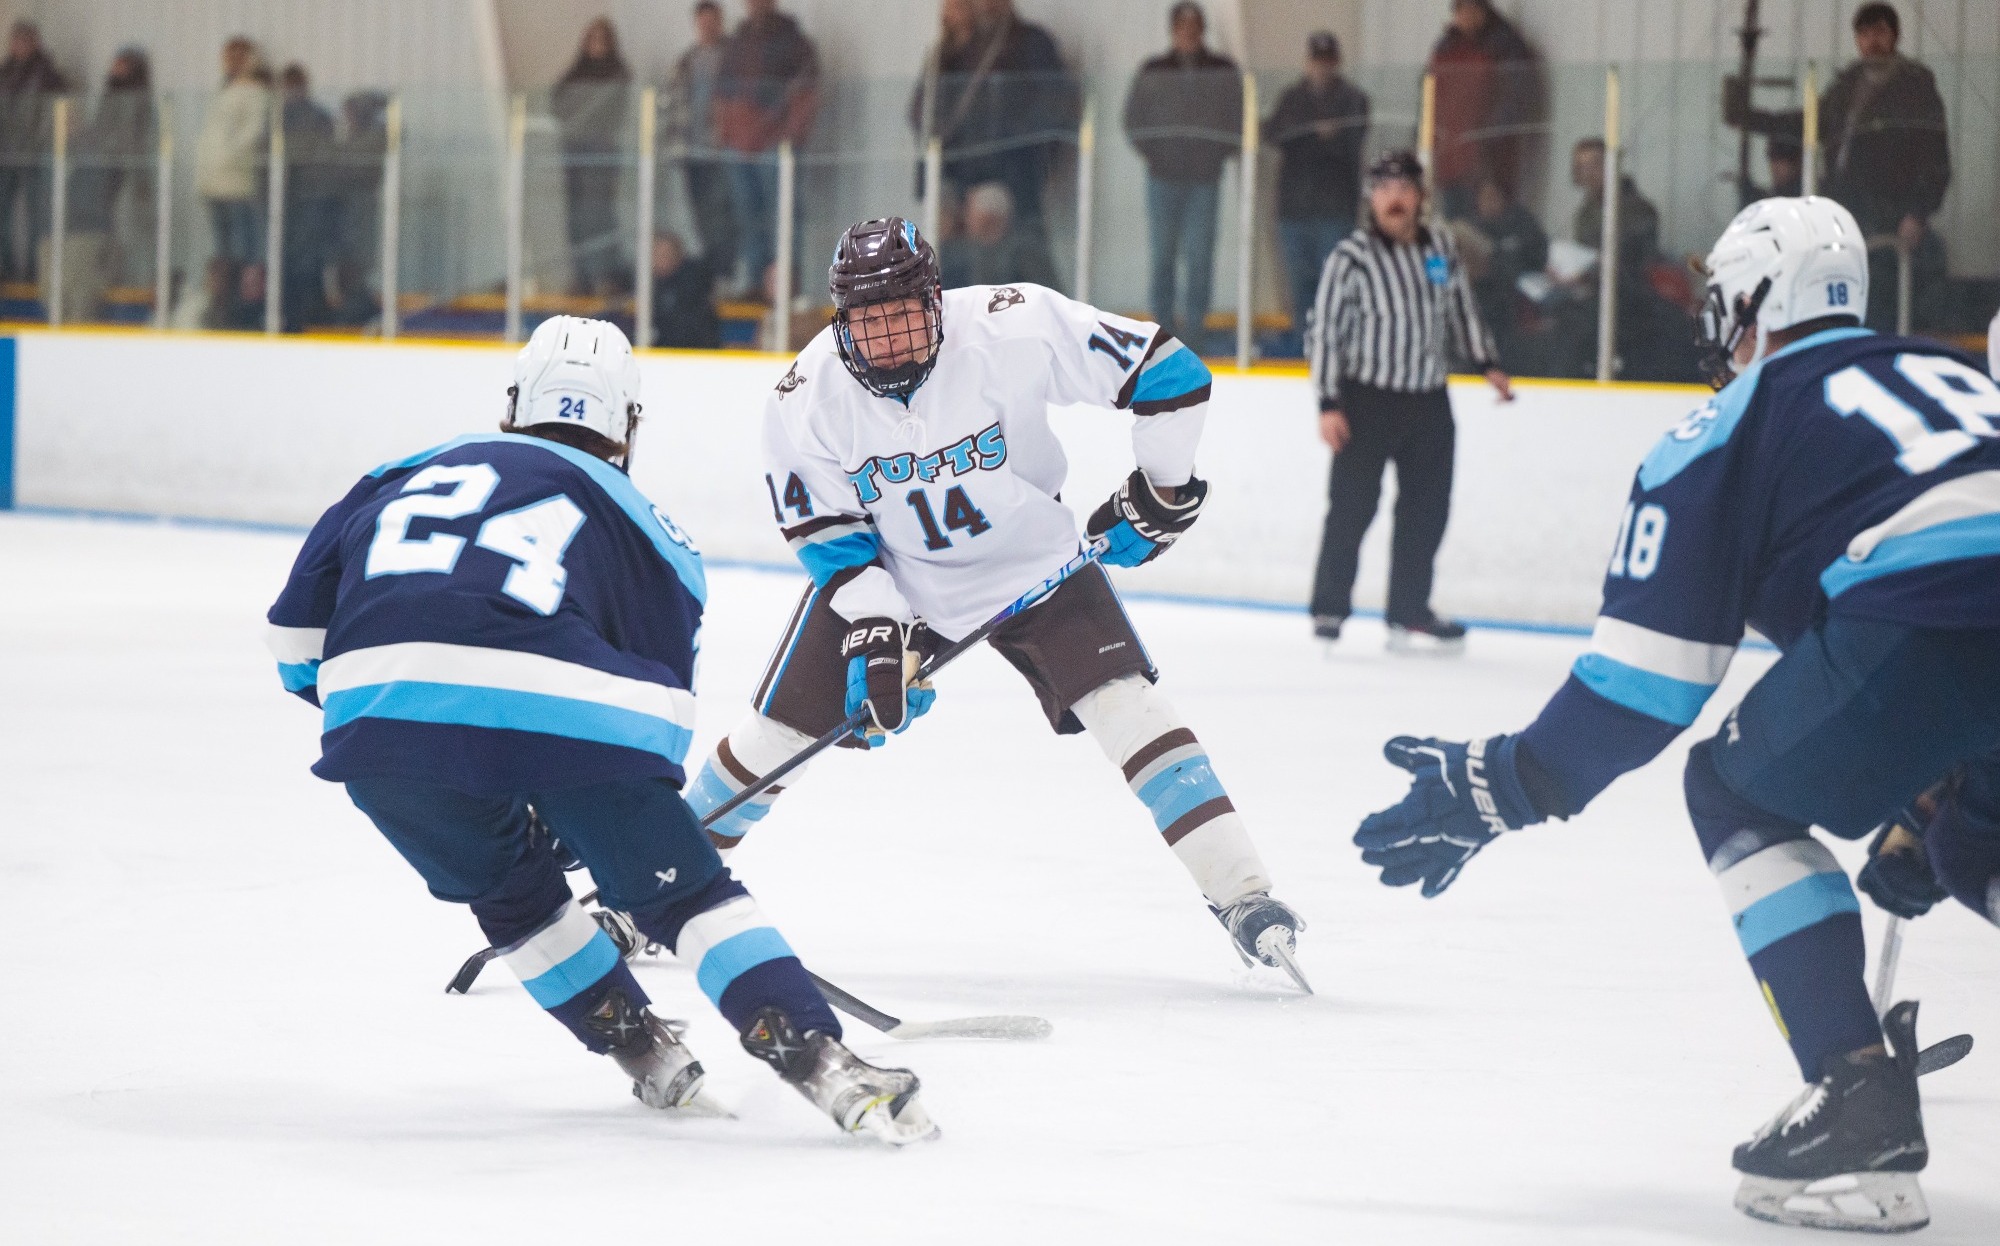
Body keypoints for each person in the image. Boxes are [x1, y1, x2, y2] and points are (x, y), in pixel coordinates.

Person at [1351, 196, 2000, 1233]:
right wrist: (1935, 809)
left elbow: (1642, 687)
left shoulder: (1729, 419)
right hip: (1955, 629)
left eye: (1722, 304)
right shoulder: (1954, 370)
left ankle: (1854, 1092)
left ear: (1756, 301)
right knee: (1970, 848)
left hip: (1923, 612)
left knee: (1732, 788)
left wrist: (1505, 781)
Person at [263, 315, 938, 1145]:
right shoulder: (652, 527)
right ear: (627, 427)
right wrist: (604, 826)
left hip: (375, 720)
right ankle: (822, 1062)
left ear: (511, 405)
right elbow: (659, 708)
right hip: (567, 708)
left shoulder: (393, 475)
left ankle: (644, 1053)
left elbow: (297, 650)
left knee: (511, 895)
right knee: (687, 894)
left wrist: (402, 717)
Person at [678, 217, 1310, 992]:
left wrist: (1163, 486)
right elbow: (828, 533)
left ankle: (1244, 896)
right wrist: (879, 628)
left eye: (902, 315)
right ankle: (661, 884)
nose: (886, 339)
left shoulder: (1012, 325)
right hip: (898, 574)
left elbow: (1170, 374)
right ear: (841, 318)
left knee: (1130, 708)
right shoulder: (805, 396)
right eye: (866, 321)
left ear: (936, 301)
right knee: (775, 735)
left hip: (1034, 561)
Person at [1305, 150, 1511, 650]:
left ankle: (1409, 609)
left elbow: (1460, 307)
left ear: (1421, 196)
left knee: (1427, 509)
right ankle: (1330, 608)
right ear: (1370, 198)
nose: (1394, 198)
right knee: (1352, 508)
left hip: (1428, 401)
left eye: (1404, 189)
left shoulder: (1439, 248)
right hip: (1366, 400)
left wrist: (1488, 363)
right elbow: (1326, 333)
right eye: (1383, 189)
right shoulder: (1350, 257)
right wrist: (1329, 403)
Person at [1726, 4, 1949, 333]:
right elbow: (1809, 123)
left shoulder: (1915, 88)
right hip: (1846, 207)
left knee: (1880, 295)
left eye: (1880, 32)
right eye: (1864, 33)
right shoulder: (1848, 85)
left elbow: (1936, 160)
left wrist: (1917, 212)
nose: (1872, 41)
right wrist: (1751, 117)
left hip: (1889, 211)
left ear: (1894, 36)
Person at [1122, 2, 1240, 351]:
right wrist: (1158, 156)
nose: (1188, 34)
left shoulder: (1221, 69)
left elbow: (1236, 120)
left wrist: (1213, 156)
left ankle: (1195, 335)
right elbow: (1134, 121)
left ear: (1202, 30)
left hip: (1204, 179)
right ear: (1173, 31)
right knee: (1163, 256)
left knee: (1200, 256)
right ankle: (1163, 333)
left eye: (1194, 27)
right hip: (1164, 178)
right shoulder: (1154, 70)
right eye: (1182, 27)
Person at [1263, 31, 1369, 357]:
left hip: (1335, 208)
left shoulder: (1353, 98)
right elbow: (1272, 133)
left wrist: (1307, 138)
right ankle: (1302, 347)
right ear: (1308, 62)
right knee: (1300, 286)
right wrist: (1317, 135)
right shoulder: (1292, 97)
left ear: (1335, 62)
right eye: (1316, 61)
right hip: (1295, 209)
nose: (1321, 68)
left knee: (1334, 285)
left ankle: (1333, 349)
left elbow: (1348, 146)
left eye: (1327, 61)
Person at [715, 0, 819, 300]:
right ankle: (754, 283)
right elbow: (722, 93)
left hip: (775, 147)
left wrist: (787, 136)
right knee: (748, 217)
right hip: (739, 146)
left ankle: (785, 285)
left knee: (783, 216)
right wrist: (727, 133)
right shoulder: (736, 43)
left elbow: (806, 93)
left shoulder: (794, 43)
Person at [56, 47, 153, 321]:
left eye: (121, 64)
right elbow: (102, 129)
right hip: (104, 165)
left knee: (120, 226)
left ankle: (126, 279)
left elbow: (132, 135)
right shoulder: (110, 95)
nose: (114, 67)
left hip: (120, 168)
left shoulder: (136, 98)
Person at [1425, 0, 1538, 220]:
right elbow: (1430, 97)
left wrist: (1486, 142)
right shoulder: (1447, 47)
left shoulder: (1505, 46)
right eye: (1457, 10)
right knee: (1450, 228)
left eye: (1465, 9)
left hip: (1487, 162)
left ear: (1480, 10)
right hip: (1448, 158)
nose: (1460, 16)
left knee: (1483, 232)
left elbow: (1514, 100)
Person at [554, 18, 631, 297]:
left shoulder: (617, 73)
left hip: (600, 149)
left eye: (602, 39)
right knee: (575, 215)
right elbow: (557, 101)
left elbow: (605, 110)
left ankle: (603, 275)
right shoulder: (577, 73)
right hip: (574, 149)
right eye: (593, 39)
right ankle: (581, 276)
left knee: (597, 213)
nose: (597, 45)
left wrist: (581, 114)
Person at [666, 2, 737, 284]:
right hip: (691, 151)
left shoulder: (731, 57)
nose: (708, 27)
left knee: (722, 214)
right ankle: (710, 270)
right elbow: (672, 104)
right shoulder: (686, 61)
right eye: (703, 22)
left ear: (720, 22)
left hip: (721, 151)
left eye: (712, 22)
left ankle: (725, 271)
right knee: (700, 214)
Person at [0, 21, 66, 283]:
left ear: (35, 42)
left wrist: (39, 142)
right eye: (16, 40)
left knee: (35, 216)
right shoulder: (5, 73)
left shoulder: (47, 75)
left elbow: (55, 113)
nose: (19, 46)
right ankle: (5, 269)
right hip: (5, 154)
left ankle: (32, 271)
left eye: (25, 40)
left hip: (33, 154)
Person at [195, 38, 269, 272]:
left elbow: (254, 132)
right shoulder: (223, 92)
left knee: (241, 248)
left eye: (238, 57)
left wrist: (229, 156)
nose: (231, 63)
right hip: (212, 179)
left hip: (236, 181)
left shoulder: (255, 93)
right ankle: (225, 298)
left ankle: (242, 299)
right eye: (228, 57)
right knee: (222, 250)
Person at [1463, 176, 1544, 368]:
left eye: (1493, 197)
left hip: (1512, 308)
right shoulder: (1464, 229)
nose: (1488, 203)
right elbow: (1437, 272)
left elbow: (1536, 259)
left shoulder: (1523, 225)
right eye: (1484, 198)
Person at [279, 64, 337, 332]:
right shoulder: (278, 118)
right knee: (290, 262)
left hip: (310, 200)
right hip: (288, 202)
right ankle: (294, 316)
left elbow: (324, 158)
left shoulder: (316, 118)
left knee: (308, 262)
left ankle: (311, 318)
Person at [939, 180, 1055, 290]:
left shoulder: (1024, 254)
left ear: (989, 218)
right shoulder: (966, 253)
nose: (965, 218)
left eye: (969, 211)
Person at [649, 231, 720, 348]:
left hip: (693, 355)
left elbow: (688, 330)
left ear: (678, 255)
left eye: (666, 254)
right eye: (657, 254)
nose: (661, 259)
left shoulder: (693, 284)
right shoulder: (650, 285)